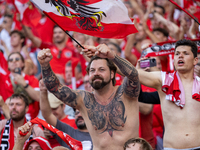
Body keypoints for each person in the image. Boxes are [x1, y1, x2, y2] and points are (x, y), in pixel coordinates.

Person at [37, 43, 140, 150]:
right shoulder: (84, 99)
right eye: (92, 70)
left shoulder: (125, 93)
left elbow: (133, 75)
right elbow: (55, 88)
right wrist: (45, 65)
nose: (96, 73)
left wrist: (112, 56)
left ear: (112, 74)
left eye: (101, 69)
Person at [137, 39, 200, 149]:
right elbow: (142, 97)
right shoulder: (164, 85)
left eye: (185, 53)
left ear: (195, 60)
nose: (180, 56)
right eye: (177, 54)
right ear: (174, 60)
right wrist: (136, 72)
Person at [39, 79, 93, 149]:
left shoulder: (101, 136)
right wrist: (43, 91)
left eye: (82, 113)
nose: (79, 115)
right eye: (76, 113)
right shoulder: (67, 132)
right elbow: (47, 115)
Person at [7, 52, 40, 119]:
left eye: (17, 59)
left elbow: (39, 97)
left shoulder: (32, 79)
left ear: (23, 63)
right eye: (11, 60)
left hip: (30, 119)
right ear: (8, 65)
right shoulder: (2, 79)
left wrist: (24, 84)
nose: (14, 61)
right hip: (7, 117)